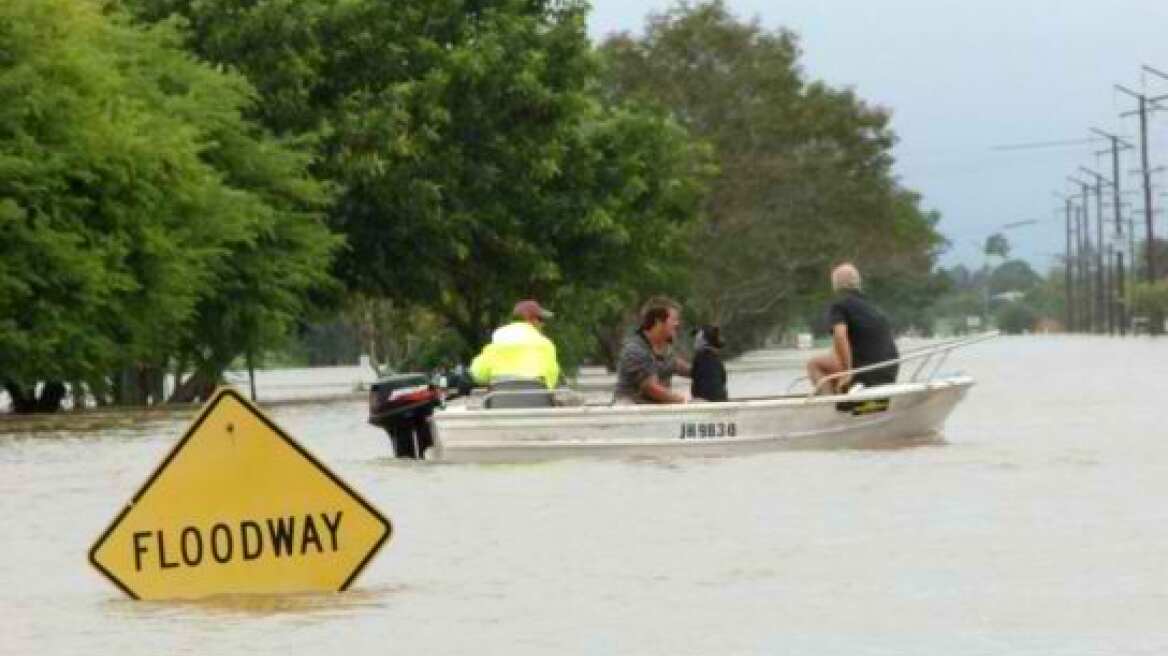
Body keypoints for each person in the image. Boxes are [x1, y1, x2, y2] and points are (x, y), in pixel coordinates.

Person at [806, 263, 899, 394]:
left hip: (864, 373)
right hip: (888, 372)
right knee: (833, 357)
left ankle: (829, 405)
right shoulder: (872, 307)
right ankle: (842, 392)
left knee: (814, 364)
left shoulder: (839, 305)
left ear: (835, 284)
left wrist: (847, 371)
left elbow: (840, 336)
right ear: (858, 282)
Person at [614, 296, 692, 404]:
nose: (677, 324)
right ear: (658, 321)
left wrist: (706, 367)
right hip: (630, 413)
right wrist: (684, 400)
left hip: (656, 412)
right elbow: (652, 388)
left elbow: (683, 367)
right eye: (673, 320)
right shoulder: (635, 350)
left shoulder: (665, 349)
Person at [470, 299, 560, 389]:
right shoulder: (546, 345)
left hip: (500, 401)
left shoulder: (495, 345)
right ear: (531, 320)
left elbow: (478, 375)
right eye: (541, 320)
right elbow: (552, 379)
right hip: (536, 402)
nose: (543, 324)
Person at [690, 324, 728, 402]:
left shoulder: (699, 358)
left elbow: (693, 375)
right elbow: (723, 378)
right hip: (720, 399)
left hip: (701, 399)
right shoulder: (716, 359)